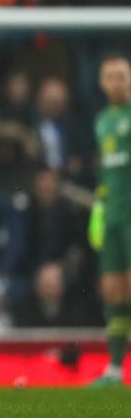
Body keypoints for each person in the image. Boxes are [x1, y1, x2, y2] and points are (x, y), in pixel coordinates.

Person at [89, 54, 131, 385]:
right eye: (111, 76)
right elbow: (107, 172)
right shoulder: (102, 121)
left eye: (122, 75)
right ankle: (115, 369)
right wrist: (100, 210)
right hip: (114, 217)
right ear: (102, 83)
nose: (117, 81)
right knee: (114, 292)